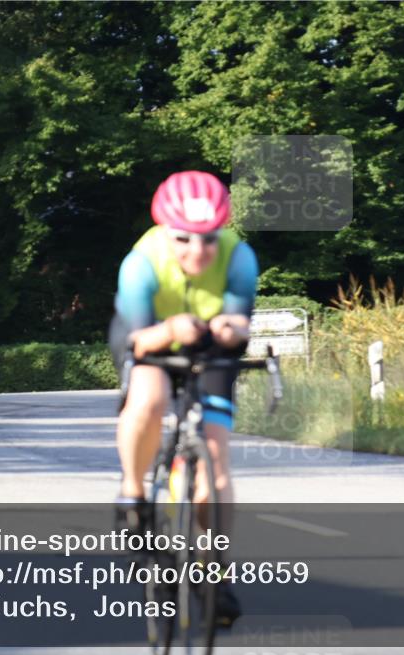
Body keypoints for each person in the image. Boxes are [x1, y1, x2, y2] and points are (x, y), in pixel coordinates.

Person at [109, 170, 258, 626]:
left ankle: (214, 570)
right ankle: (133, 493)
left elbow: (238, 323)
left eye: (209, 239)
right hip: (149, 335)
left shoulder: (240, 258)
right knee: (149, 400)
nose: (198, 251)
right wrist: (172, 329)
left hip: (210, 344)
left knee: (215, 453)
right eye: (184, 239)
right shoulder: (141, 262)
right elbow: (139, 340)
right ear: (164, 232)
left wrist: (232, 329)